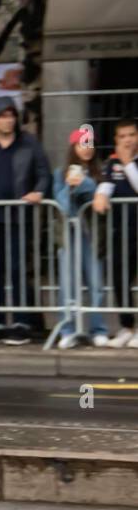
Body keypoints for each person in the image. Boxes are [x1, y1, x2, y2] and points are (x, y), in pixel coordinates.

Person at [0, 97, 51, 346]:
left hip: (17, 215)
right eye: (2, 115)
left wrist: (38, 191)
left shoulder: (28, 143)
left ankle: (21, 322)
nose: (8, 120)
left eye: (11, 115)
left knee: (16, 269)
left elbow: (43, 173)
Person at [54, 129, 108, 349]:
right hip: (68, 236)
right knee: (67, 284)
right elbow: (62, 205)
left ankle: (98, 329)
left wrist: (84, 183)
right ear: (73, 147)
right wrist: (69, 186)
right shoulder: (60, 173)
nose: (87, 148)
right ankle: (68, 329)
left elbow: (99, 191)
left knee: (96, 283)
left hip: (91, 235)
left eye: (90, 144)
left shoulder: (99, 171)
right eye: (82, 144)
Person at [92, 118, 138, 348]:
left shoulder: (130, 161)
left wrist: (128, 162)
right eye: (122, 136)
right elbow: (106, 184)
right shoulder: (112, 163)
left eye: (131, 134)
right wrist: (100, 195)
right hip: (122, 230)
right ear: (116, 140)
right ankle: (127, 326)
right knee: (120, 279)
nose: (127, 140)